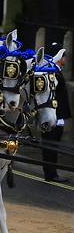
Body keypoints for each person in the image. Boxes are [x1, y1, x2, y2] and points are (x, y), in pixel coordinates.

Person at [42, 43, 71, 183]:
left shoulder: (57, 71)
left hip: (58, 116)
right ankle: (50, 173)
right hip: (53, 116)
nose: (66, 58)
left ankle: (52, 172)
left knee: (54, 145)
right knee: (50, 145)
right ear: (59, 56)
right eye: (64, 55)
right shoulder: (52, 72)